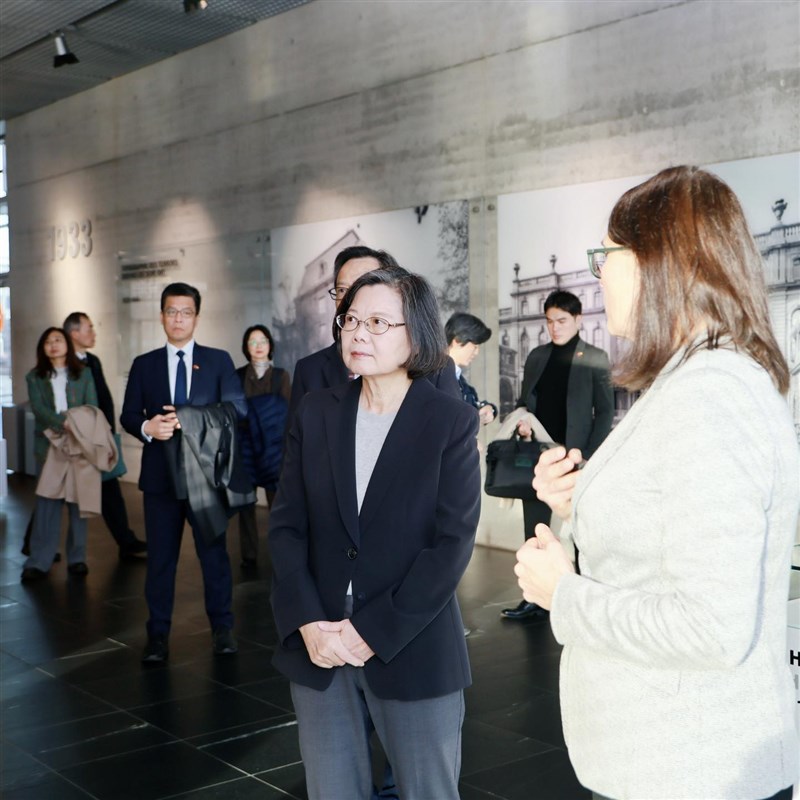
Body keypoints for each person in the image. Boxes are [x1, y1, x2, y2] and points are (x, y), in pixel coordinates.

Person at [515, 166, 798, 800]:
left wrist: (564, 595)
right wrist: (578, 503)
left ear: (655, 261)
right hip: (677, 762)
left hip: (690, 768)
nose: (599, 275)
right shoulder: (700, 377)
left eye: (606, 257)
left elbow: (711, 626)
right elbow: (666, 537)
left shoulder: (710, 394)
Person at [269, 267, 481, 800]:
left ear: (418, 334)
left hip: (410, 641)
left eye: (379, 322)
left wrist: (374, 630)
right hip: (320, 645)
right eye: (352, 320)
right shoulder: (317, 412)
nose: (359, 333)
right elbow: (287, 525)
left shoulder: (449, 421)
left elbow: (451, 545)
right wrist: (307, 620)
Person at [121, 282, 248, 663]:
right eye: (172, 312)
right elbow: (129, 415)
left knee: (215, 558)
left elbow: (238, 409)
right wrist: (147, 427)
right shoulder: (144, 364)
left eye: (186, 312)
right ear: (162, 316)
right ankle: (157, 635)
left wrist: (188, 418)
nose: (178, 319)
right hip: (160, 479)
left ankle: (222, 628)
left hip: (205, 478)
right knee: (161, 561)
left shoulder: (218, 360)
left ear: (196, 317)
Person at [502, 290, 613, 620]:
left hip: (577, 458)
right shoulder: (537, 356)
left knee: (581, 531)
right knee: (535, 529)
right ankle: (534, 599)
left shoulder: (595, 357)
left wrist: (587, 455)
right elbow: (524, 403)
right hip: (539, 455)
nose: (554, 327)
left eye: (562, 321)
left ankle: (582, 598)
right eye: (549, 321)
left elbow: (605, 413)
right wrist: (523, 424)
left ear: (578, 320)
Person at [288, 245, 461, 422]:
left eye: (365, 284)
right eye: (342, 290)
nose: (353, 297)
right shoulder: (310, 373)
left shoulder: (438, 370)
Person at [63, 312, 147, 561]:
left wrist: (108, 431)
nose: (94, 333)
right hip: (78, 439)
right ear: (74, 334)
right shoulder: (64, 364)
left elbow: (103, 399)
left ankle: (126, 541)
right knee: (55, 494)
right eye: (89, 328)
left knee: (110, 489)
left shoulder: (93, 360)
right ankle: (33, 545)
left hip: (99, 436)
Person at [21, 327, 99, 581]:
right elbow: (38, 408)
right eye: (47, 341)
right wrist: (62, 423)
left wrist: (77, 426)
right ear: (42, 348)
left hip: (79, 443)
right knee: (47, 503)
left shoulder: (84, 373)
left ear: (67, 344)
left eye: (58, 340)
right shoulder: (35, 376)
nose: (53, 345)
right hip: (49, 445)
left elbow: (92, 406)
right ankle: (39, 561)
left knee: (78, 503)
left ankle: (77, 558)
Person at [235, 323, 291, 568]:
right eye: (253, 342)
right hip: (245, 449)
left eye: (263, 341)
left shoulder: (280, 376)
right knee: (246, 505)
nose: (258, 346)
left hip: (273, 450)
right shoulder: (238, 376)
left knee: (277, 506)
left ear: (270, 345)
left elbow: (287, 415)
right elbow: (235, 413)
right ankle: (248, 555)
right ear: (246, 347)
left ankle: (281, 553)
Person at [445, 312, 497, 425]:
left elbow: (473, 402)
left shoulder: (459, 379)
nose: (476, 352)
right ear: (457, 340)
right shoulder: (433, 376)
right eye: (475, 346)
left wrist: (489, 408)